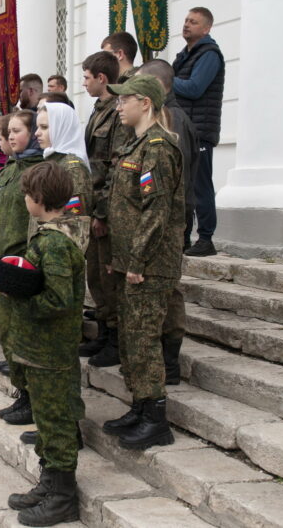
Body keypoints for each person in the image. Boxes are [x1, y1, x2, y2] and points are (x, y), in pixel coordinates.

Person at [103, 74, 184, 450]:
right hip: (131, 261)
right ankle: (140, 406)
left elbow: (156, 210)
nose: (119, 106)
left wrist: (137, 259)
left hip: (150, 264)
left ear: (146, 103)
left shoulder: (157, 148)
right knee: (131, 338)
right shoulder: (137, 146)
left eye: (125, 100)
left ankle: (156, 419)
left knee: (144, 339)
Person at [3, 161, 84, 527]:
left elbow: (57, 300)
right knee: (48, 423)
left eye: (25, 195)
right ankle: (49, 484)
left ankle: (63, 498)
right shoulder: (47, 236)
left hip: (51, 353)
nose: (23, 200)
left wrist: (17, 297)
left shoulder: (53, 243)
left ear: (37, 199)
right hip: (40, 352)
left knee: (56, 424)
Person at [138, 59, 198, 384]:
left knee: (168, 290)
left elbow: (181, 179)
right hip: (162, 220)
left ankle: (170, 361)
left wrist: (181, 224)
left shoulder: (174, 121)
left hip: (172, 222)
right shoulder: (159, 120)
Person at [0, 110, 45, 425]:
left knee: (24, 337)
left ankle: (31, 399)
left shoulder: (39, 170)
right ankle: (22, 393)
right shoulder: (11, 168)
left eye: (17, 131)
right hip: (2, 262)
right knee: (9, 334)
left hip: (20, 263)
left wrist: (27, 266)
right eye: (7, 131)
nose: (10, 137)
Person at [80, 50, 133, 366]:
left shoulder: (117, 112)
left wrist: (101, 213)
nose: (84, 83)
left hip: (105, 208)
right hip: (92, 203)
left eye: (87, 77)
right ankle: (102, 331)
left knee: (108, 277)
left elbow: (114, 166)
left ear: (102, 78)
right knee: (96, 276)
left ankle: (114, 337)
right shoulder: (99, 109)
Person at [173, 6, 225, 257]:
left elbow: (194, 88)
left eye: (193, 22)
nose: (186, 25)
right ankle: (183, 236)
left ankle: (206, 238)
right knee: (183, 186)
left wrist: (163, 79)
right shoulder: (184, 55)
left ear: (206, 29)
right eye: (185, 20)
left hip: (200, 131)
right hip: (184, 130)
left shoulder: (209, 54)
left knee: (200, 185)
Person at [35, 102, 93, 252]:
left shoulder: (72, 167)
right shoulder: (53, 161)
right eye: (38, 127)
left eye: (45, 127)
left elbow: (75, 221)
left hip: (59, 254)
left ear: (62, 128)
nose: (37, 133)